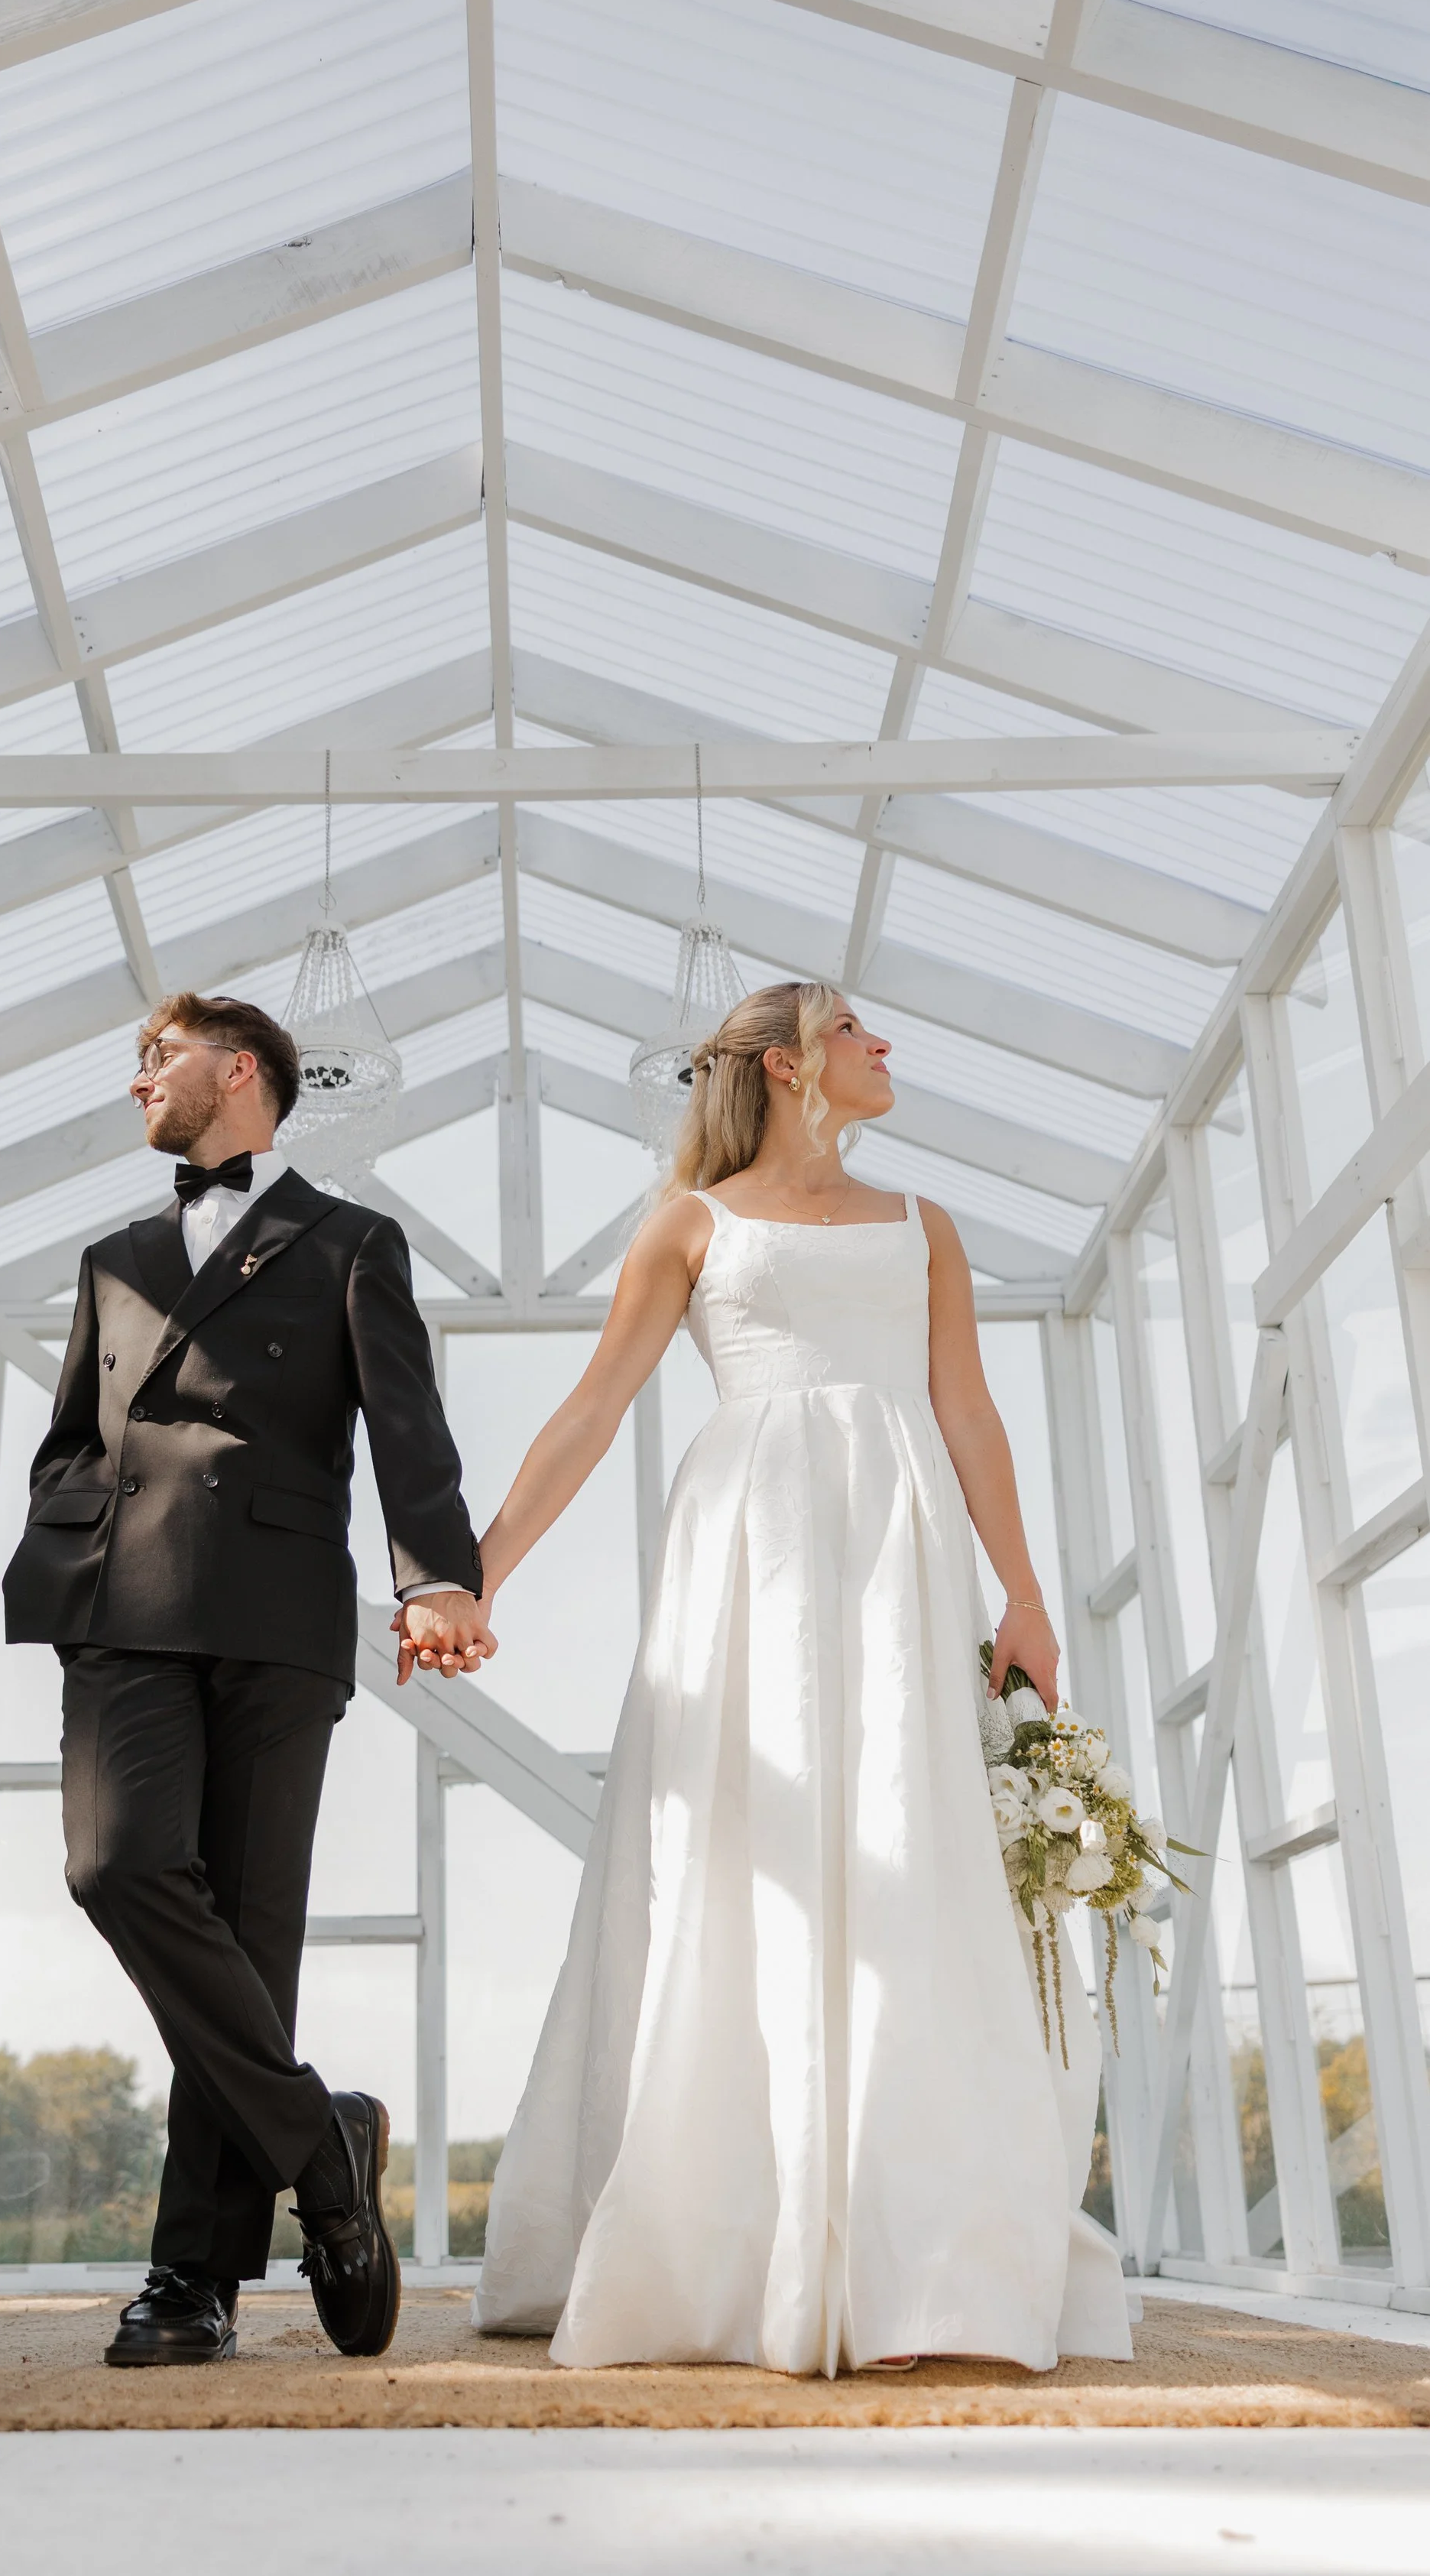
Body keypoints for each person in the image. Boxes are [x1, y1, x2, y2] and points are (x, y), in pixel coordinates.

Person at [447, 981, 1131, 2374]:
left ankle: (912, 2254)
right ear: (785, 1063)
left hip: (901, 1556)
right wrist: (481, 1573)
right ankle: (732, 2237)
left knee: (908, 1851)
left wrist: (1025, 1595)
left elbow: (968, 1412)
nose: (885, 1045)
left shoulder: (926, 1224)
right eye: (857, 1029)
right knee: (737, 1854)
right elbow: (592, 1409)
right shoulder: (691, 1225)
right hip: (747, 1552)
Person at [2, 993, 491, 2367]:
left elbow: (406, 1425)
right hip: (122, 1606)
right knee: (117, 1865)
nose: (138, 1083)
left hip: (275, 1609)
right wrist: (65, 1551)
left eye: (157, 1058)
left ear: (238, 1071)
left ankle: (192, 2278)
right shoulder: (114, 1258)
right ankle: (321, 2148)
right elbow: (72, 1438)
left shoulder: (350, 1240)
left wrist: (435, 1575)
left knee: (251, 1931)